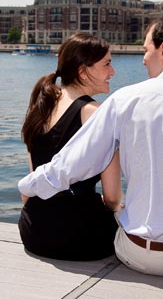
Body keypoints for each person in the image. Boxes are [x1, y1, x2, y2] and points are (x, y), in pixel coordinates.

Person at [19, 13, 163, 277]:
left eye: (146, 49)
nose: (143, 58)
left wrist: (27, 185)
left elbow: (70, 164)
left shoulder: (123, 100)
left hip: (135, 254)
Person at [18, 33, 123, 261]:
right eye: (107, 64)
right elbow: (113, 197)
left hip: (32, 230)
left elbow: (32, 183)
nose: (112, 72)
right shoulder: (96, 114)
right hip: (78, 237)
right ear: (83, 72)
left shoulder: (41, 106)